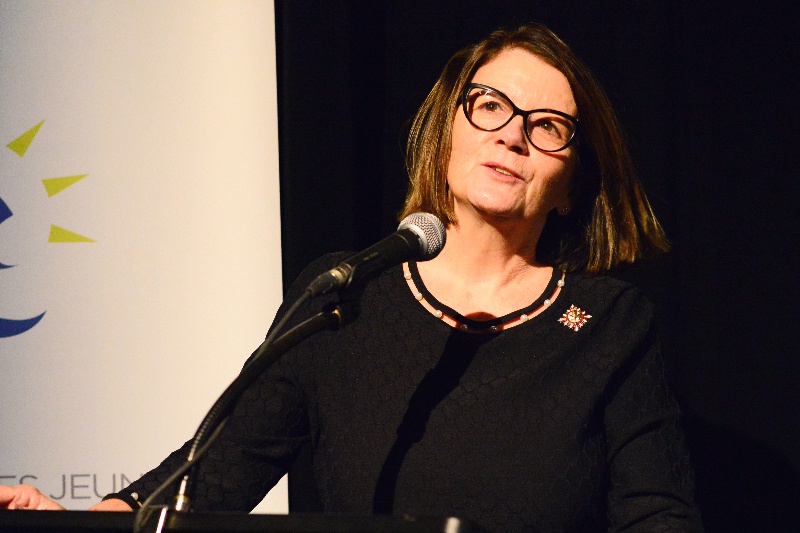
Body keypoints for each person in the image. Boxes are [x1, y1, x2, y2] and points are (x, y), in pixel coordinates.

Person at [0, 23, 703, 532]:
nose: (511, 134)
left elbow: (657, 515)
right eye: (490, 105)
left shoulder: (609, 323)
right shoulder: (348, 296)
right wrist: (77, 522)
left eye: (547, 126)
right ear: (447, 131)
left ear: (572, 185)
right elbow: (215, 473)